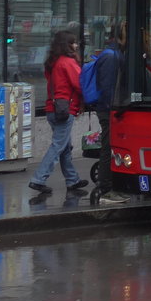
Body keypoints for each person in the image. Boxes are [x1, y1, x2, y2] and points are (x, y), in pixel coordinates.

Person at [28, 29, 88, 195]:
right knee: (58, 146)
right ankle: (38, 179)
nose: (76, 45)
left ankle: (72, 180)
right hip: (65, 110)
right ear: (67, 45)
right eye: (74, 42)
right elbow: (80, 84)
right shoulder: (67, 62)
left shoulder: (53, 62)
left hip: (52, 109)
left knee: (65, 147)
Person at [93, 25, 129, 205]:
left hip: (110, 109)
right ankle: (106, 187)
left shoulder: (113, 54)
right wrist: (113, 109)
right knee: (109, 147)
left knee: (111, 146)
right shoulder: (111, 56)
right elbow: (108, 87)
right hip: (109, 110)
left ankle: (109, 185)